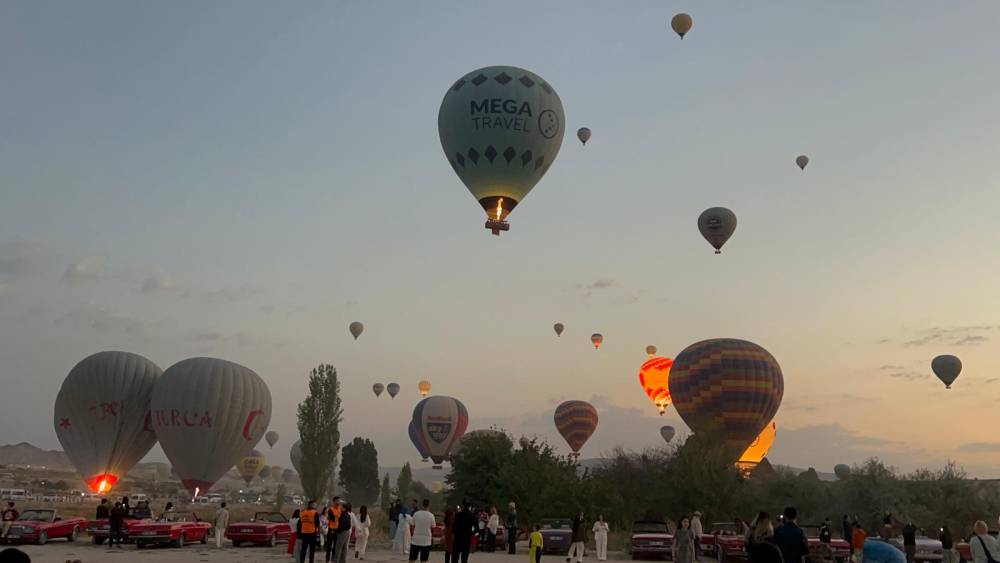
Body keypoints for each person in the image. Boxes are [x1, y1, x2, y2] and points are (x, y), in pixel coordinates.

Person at [325, 497, 342, 563]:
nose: (339, 502)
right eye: (337, 501)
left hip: (337, 529)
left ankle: (333, 559)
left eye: (339, 501)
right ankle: (327, 558)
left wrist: (337, 517)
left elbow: (338, 519)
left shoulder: (340, 509)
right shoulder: (330, 509)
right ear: (334, 501)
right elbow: (333, 519)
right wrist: (338, 517)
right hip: (331, 529)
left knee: (335, 545)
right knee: (329, 545)